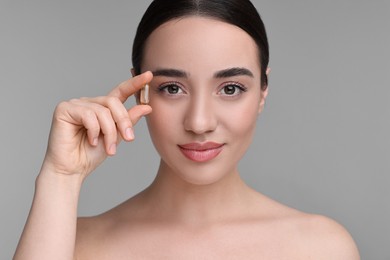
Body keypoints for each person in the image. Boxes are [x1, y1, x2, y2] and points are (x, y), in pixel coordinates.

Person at [14, 0, 360, 259]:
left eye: (230, 89)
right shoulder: (76, 246)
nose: (199, 122)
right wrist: (60, 177)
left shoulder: (321, 247)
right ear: (140, 89)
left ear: (262, 94)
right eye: (172, 88)